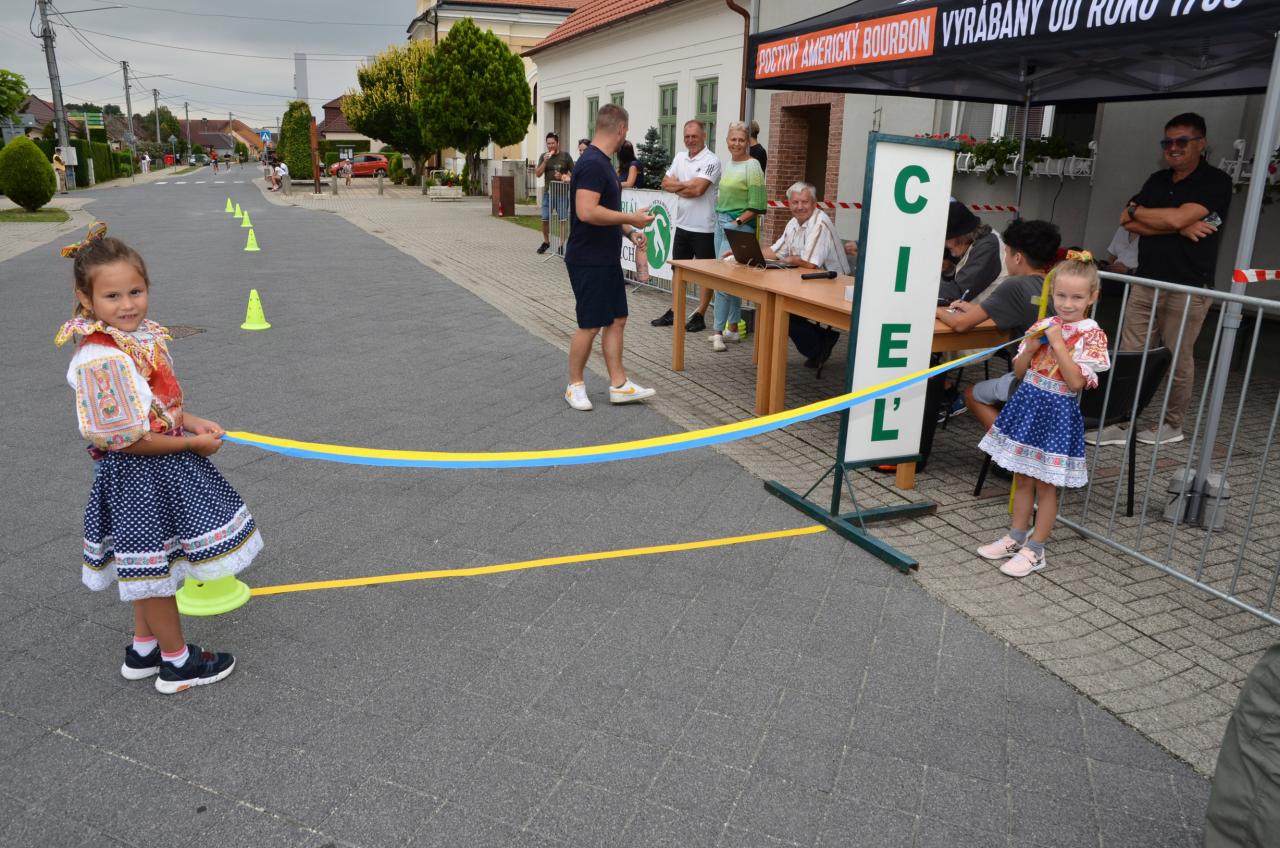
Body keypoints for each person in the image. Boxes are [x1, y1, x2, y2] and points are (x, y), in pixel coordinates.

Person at [54, 222, 260, 693]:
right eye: (112, 296)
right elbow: (125, 439)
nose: (127, 304)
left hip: (155, 469)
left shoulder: (132, 339)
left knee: (146, 565)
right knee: (155, 573)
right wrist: (190, 444)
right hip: (141, 476)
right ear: (86, 299)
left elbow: (152, 406)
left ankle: (144, 648)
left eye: (136, 291)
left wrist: (192, 422)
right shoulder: (101, 360)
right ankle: (177, 663)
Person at [1090, 112, 1233, 447]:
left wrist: (1157, 216)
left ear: (1201, 143)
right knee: (1130, 353)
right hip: (1145, 282)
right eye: (1167, 142)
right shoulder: (1157, 179)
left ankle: (1172, 424)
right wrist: (1177, 225)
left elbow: (1171, 216)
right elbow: (1127, 220)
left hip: (1188, 286)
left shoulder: (1215, 181)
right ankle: (1121, 422)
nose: (1173, 147)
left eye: (1182, 141)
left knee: (1177, 358)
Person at [977, 256, 1110, 577]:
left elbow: (1076, 382)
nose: (1067, 304)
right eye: (1061, 295)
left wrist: (1058, 344)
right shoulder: (1045, 324)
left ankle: (1036, 549)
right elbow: (1019, 372)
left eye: (1077, 297)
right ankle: (1016, 536)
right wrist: (1031, 346)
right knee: (1022, 477)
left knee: (1045, 485)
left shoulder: (1092, 335)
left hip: (1056, 415)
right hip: (1028, 405)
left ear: (1092, 297)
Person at [563, 104, 657, 411]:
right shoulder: (592, 163)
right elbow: (587, 211)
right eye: (626, 132)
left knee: (617, 319)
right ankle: (575, 385)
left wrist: (629, 231)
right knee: (590, 324)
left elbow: (605, 211)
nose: (625, 137)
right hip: (588, 258)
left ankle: (619, 385)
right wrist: (631, 217)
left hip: (604, 257)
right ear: (621, 129)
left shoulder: (601, 162)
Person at [946, 219, 1063, 433]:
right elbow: (1005, 310)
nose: (1006, 259)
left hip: (1029, 379)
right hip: (1056, 377)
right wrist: (972, 309)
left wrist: (935, 308)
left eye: (1006, 253)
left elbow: (960, 325)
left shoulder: (1015, 285)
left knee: (971, 395)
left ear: (1017, 258)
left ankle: (1009, 445)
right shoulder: (1056, 284)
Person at [763, 181, 849, 368]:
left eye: (805, 202)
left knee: (780, 306)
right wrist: (742, 254)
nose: (800, 206)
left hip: (835, 286)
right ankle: (820, 341)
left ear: (814, 203)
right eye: (795, 202)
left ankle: (818, 346)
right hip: (811, 282)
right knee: (771, 302)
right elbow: (776, 251)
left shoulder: (820, 223)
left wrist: (790, 260)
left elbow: (809, 264)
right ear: (789, 204)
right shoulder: (793, 223)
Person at [651, 120, 721, 329]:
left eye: (694, 136)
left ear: (704, 136)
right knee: (678, 271)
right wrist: (688, 184)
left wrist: (679, 186)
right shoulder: (680, 157)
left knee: (705, 274)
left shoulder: (712, 160)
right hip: (682, 225)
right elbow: (665, 183)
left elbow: (698, 190)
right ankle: (675, 311)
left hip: (705, 227)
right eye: (687, 137)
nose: (690, 140)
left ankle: (700, 315)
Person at [709, 121, 766, 351]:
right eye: (733, 139)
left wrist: (737, 222)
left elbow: (758, 205)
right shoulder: (730, 163)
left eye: (741, 140)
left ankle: (717, 332)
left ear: (747, 142)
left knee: (722, 280)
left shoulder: (752, 166)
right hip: (721, 223)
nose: (737, 143)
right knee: (728, 279)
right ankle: (732, 329)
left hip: (738, 227)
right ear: (727, 141)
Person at [940, 201, 1003, 303]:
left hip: (996, 312)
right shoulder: (974, 244)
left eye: (945, 238)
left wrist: (921, 289)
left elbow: (959, 292)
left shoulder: (987, 247)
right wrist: (949, 270)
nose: (944, 245)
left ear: (962, 236)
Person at [534, 132, 573, 255]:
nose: (550, 146)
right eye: (548, 143)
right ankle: (546, 242)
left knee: (562, 219)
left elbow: (575, 174)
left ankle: (561, 245)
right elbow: (538, 174)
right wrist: (545, 162)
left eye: (552, 143)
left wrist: (563, 176)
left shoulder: (565, 156)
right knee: (545, 218)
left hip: (562, 193)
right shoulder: (543, 156)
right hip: (548, 193)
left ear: (558, 143)